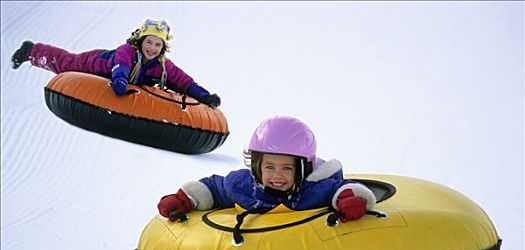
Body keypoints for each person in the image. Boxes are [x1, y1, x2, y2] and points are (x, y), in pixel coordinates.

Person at [157, 115, 376, 222]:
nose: (277, 176)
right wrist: (186, 198)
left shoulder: (312, 190)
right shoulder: (244, 186)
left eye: (287, 169)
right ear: (257, 165)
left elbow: (337, 188)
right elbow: (214, 187)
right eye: (269, 167)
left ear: (301, 169)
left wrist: (348, 198)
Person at [10, 19, 221, 107]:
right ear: (141, 41)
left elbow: (183, 81)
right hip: (96, 64)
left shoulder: (163, 65)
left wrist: (205, 96)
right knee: (66, 64)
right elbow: (121, 67)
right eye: (149, 42)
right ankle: (32, 51)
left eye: (157, 45)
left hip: (117, 78)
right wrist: (119, 83)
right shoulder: (127, 51)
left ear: (163, 48)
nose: (152, 48)